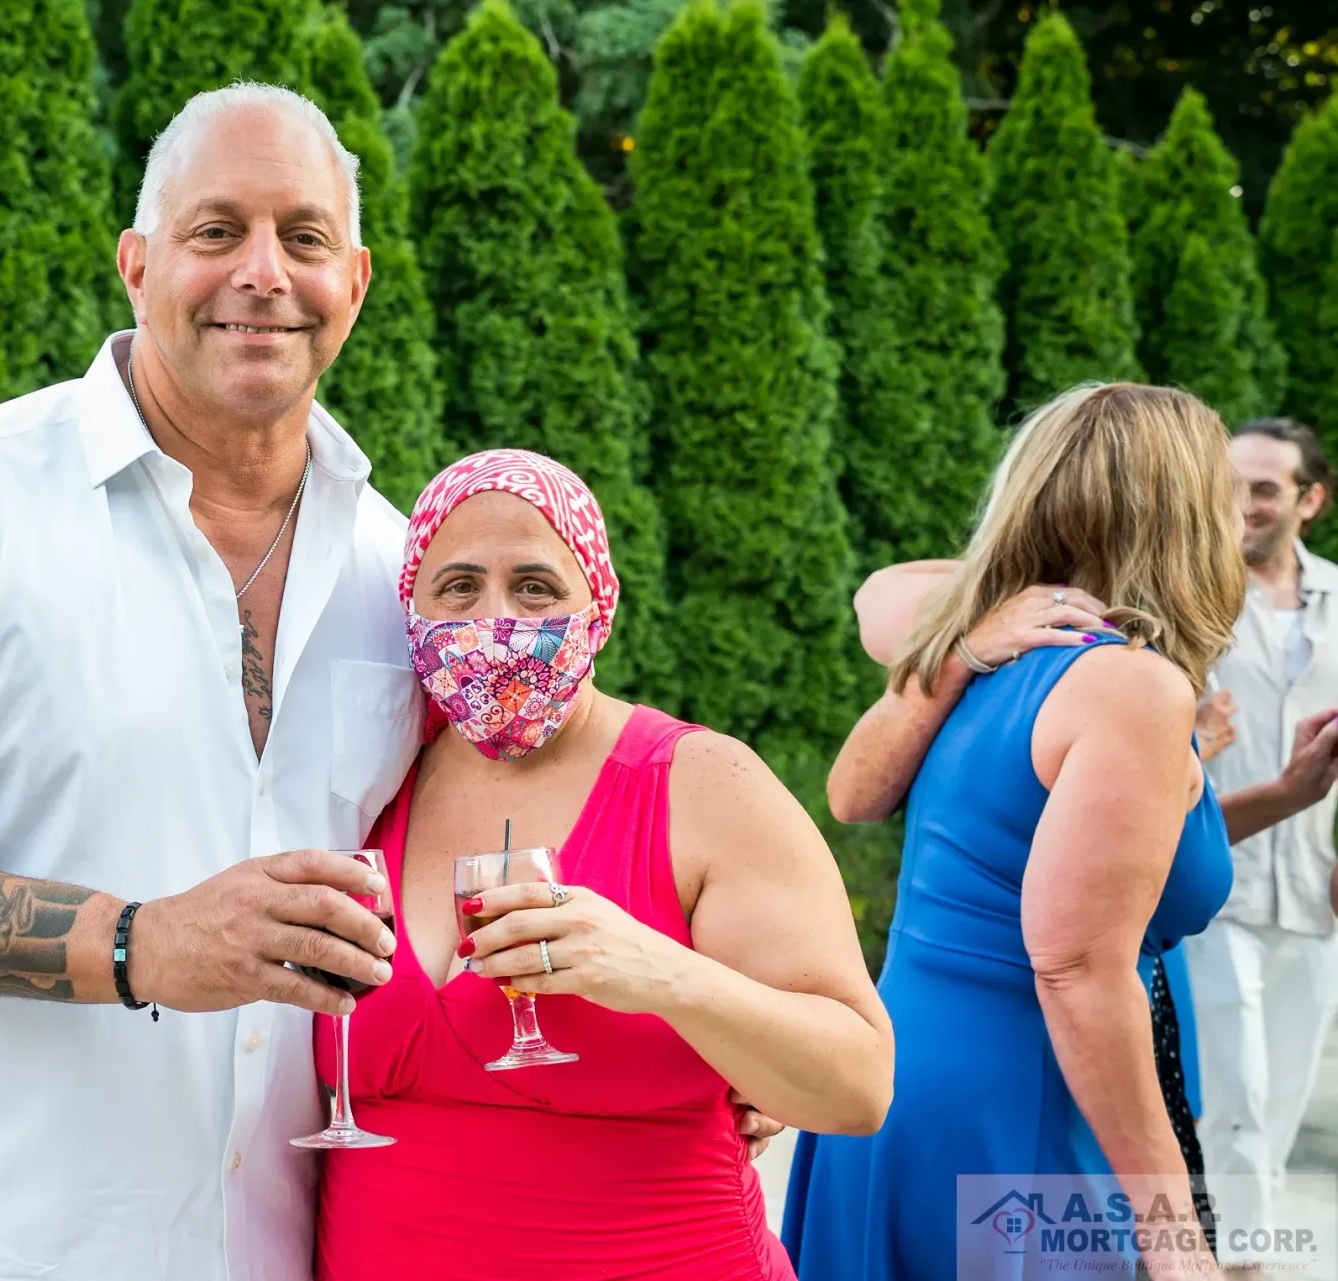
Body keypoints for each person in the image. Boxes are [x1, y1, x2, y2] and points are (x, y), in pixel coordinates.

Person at [0, 84, 421, 1281]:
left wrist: (658, 1053)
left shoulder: (400, 568)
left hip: (285, 1247)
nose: (264, 272)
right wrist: (134, 944)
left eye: (304, 238)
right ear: (137, 263)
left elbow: (496, 839)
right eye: (218, 232)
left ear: (353, 282)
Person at [311, 449, 894, 1281]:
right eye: (459, 586)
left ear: (600, 607)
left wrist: (664, 975)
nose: (496, 618)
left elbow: (859, 1088)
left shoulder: (701, 785)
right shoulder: (370, 784)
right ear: (412, 609)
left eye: (537, 587)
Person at [780, 383, 1251, 1281]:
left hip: (904, 1075)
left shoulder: (992, 656)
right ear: (1181, 515)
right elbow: (1075, 968)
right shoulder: (1130, 687)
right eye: (1222, 494)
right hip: (1023, 1109)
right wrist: (1174, 1232)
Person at [1188, 417, 1338, 1278]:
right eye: (1233, 484)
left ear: (1309, 500)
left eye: (1266, 488)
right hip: (1217, 885)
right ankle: (1237, 1268)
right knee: (1235, 1093)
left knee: (1278, 1100)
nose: (1244, 504)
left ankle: (1224, 1255)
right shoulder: (1192, 598)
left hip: (1311, 894)